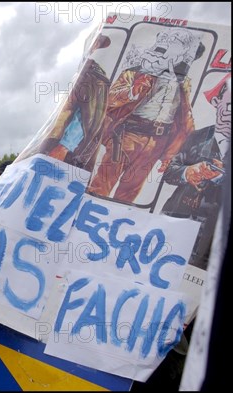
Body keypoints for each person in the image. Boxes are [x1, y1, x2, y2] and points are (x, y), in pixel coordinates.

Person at [87, 27, 205, 203]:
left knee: (130, 192)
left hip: (157, 141)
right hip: (127, 135)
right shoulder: (136, 71)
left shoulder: (184, 82)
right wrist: (133, 90)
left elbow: (184, 116)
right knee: (102, 184)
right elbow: (110, 98)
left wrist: (174, 152)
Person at [161, 73, 231, 270]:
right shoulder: (198, 135)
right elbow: (169, 171)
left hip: (211, 241)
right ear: (217, 102)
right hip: (174, 222)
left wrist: (221, 178)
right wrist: (188, 172)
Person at [38, 33, 112, 172]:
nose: (92, 46)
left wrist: (64, 146)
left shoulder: (95, 77)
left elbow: (88, 116)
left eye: (97, 43)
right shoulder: (82, 72)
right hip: (57, 145)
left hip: (63, 150)